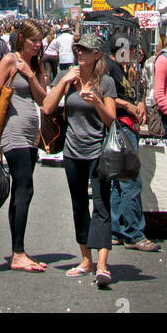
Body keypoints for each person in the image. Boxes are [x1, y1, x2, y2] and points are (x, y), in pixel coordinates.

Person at [42, 34, 116, 286]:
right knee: (78, 205)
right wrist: (64, 82)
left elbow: (110, 119)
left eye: (85, 50)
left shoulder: (106, 83)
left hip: (98, 152)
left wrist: (96, 101)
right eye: (77, 49)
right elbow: (47, 107)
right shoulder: (68, 78)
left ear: (97, 55)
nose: (80, 53)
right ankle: (86, 259)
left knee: (102, 205)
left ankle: (103, 265)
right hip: (73, 153)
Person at [0, 19, 49, 272]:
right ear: (22, 39)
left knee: (22, 190)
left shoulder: (34, 64)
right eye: (34, 41)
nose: (38, 45)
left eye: (40, 41)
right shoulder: (9, 60)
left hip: (31, 136)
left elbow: (43, 99)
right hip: (13, 135)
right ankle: (18, 253)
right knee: (25, 188)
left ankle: (18, 250)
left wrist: (33, 74)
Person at [105, 39, 159, 252]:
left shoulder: (120, 68)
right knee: (130, 181)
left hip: (127, 125)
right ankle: (134, 232)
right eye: (132, 51)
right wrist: (128, 105)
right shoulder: (109, 68)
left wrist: (139, 102)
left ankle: (117, 229)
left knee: (121, 182)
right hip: (121, 126)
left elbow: (132, 93)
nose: (135, 54)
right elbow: (107, 96)